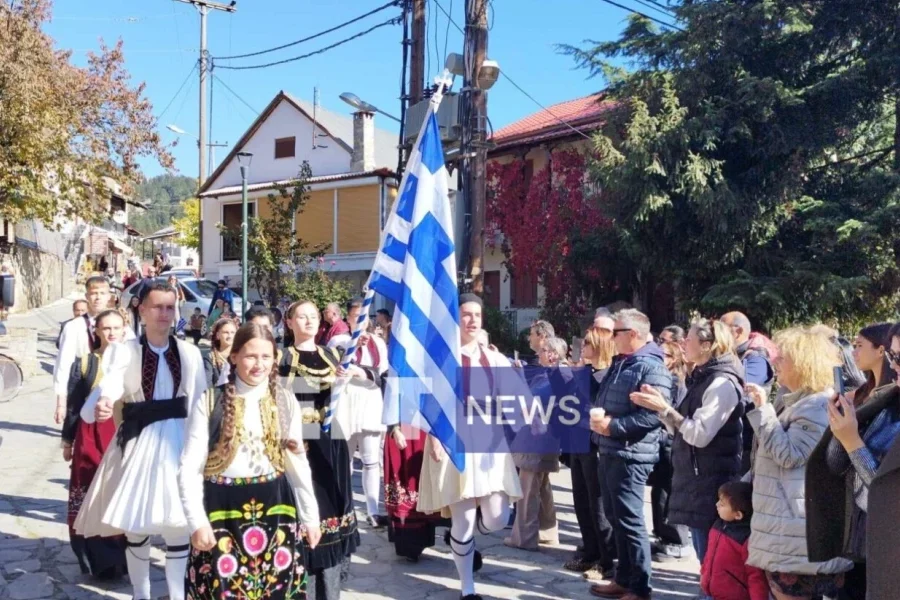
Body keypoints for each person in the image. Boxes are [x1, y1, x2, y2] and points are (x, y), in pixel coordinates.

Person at [73, 282, 207, 600]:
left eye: (170, 307)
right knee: (137, 525)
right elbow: (113, 383)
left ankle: (177, 595)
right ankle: (141, 593)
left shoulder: (189, 353)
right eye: (157, 307)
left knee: (179, 524)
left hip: (178, 442)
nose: (164, 313)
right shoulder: (126, 350)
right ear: (142, 311)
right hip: (139, 443)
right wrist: (105, 400)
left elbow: (199, 399)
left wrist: (203, 446)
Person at [179, 322, 322, 599]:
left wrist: (310, 517)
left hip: (276, 509)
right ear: (234, 357)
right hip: (221, 510)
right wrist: (197, 521)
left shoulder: (285, 400)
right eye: (250, 356)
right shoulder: (210, 401)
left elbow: (298, 464)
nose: (259, 364)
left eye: (266, 356)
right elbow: (189, 467)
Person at [417, 294, 523, 600]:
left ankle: (467, 538)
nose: (473, 320)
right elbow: (428, 401)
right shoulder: (441, 358)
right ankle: (467, 588)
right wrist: (435, 436)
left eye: (477, 314)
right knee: (461, 521)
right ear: (456, 318)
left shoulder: (494, 358)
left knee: (497, 518)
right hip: (454, 442)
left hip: (490, 444)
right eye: (466, 314)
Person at [743, 326, 852, 600]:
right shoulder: (802, 402)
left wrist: (762, 408)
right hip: (791, 534)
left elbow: (789, 455)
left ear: (803, 364)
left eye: (782, 358)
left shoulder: (816, 406)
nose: (774, 363)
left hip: (797, 538)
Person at [630, 318, 744, 565]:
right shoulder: (702, 377)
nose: (683, 343)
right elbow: (681, 429)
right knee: (706, 560)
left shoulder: (721, 382)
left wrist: (666, 410)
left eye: (689, 338)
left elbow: (699, 435)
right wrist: (661, 408)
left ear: (706, 345)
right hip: (698, 480)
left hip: (712, 482)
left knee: (712, 560)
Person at [806, 322, 900, 600]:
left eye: (899, 357)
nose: (893, 364)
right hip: (866, 540)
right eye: (893, 356)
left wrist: (852, 441)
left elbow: (885, 490)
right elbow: (838, 468)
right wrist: (841, 429)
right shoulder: (888, 401)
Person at [588, 308, 672, 600]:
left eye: (616, 332)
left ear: (633, 334)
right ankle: (623, 578)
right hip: (611, 450)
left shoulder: (652, 367)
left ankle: (640, 587)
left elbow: (652, 416)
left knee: (630, 520)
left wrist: (614, 426)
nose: (610, 338)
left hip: (631, 455)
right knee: (615, 515)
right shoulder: (622, 362)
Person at [280, 300, 360, 600]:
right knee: (310, 503)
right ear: (289, 322)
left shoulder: (332, 354)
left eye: (314, 316)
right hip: (300, 438)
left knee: (335, 502)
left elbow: (366, 377)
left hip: (331, 438)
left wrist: (351, 377)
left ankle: (333, 577)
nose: (309, 321)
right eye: (302, 316)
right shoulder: (282, 357)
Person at [61, 309, 128, 580]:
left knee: (117, 496)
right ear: (96, 332)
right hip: (89, 440)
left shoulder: (133, 361)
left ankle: (121, 560)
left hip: (121, 436)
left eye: (116, 328)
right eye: (106, 328)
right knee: (88, 495)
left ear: (125, 330)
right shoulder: (86, 363)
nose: (111, 333)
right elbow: (74, 406)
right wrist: (68, 440)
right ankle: (96, 560)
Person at [329, 298, 390, 528]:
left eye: (365, 318)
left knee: (371, 460)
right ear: (348, 319)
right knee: (345, 458)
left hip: (370, 400)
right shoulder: (340, 340)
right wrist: (354, 345)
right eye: (356, 317)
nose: (361, 322)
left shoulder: (378, 343)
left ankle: (373, 510)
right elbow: (338, 363)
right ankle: (344, 507)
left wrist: (363, 372)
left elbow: (381, 372)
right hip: (346, 401)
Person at [566, 327, 618, 581]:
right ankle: (590, 550)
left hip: (595, 445)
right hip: (577, 442)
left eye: (587, 342)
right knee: (581, 502)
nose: (582, 345)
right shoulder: (585, 372)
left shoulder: (608, 376)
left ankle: (607, 560)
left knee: (598, 505)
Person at [505, 336, 563, 551]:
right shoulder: (547, 373)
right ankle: (547, 532)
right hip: (541, 438)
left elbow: (533, 401)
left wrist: (518, 377)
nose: (538, 353)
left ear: (553, 354)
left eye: (543, 350)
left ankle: (524, 538)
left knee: (527, 489)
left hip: (539, 438)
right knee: (542, 487)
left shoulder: (556, 375)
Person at [647, 340, 691, 563]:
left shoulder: (673, 380)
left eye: (662, 355)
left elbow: (667, 411)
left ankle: (676, 542)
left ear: (673, 359)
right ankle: (664, 538)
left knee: (667, 492)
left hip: (670, 442)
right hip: (665, 442)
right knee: (660, 492)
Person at [53, 277, 111, 426]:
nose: (98, 297)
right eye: (94, 293)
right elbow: (63, 364)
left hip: (110, 394)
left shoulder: (118, 323)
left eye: (102, 293)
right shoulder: (74, 327)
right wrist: (61, 402)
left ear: (109, 296)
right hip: (82, 389)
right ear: (87, 297)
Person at [699, 482, 769, 600]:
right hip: (711, 593)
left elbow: (755, 577)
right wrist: (703, 573)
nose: (716, 505)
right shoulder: (717, 526)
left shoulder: (747, 540)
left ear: (738, 515)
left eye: (722, 504)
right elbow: (708, 555)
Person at [851, 322, 894, 406]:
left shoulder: (894, 397)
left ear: (880, 351)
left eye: (859, 345)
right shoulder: (863, 391)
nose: (853, 352)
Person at [204, 318, 237, 389]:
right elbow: (207, 385)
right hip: (218, 397)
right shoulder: (210, 357)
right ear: (218, 335)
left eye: (232, 332)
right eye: (226, 332)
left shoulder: (241, 355)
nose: (229, 336)